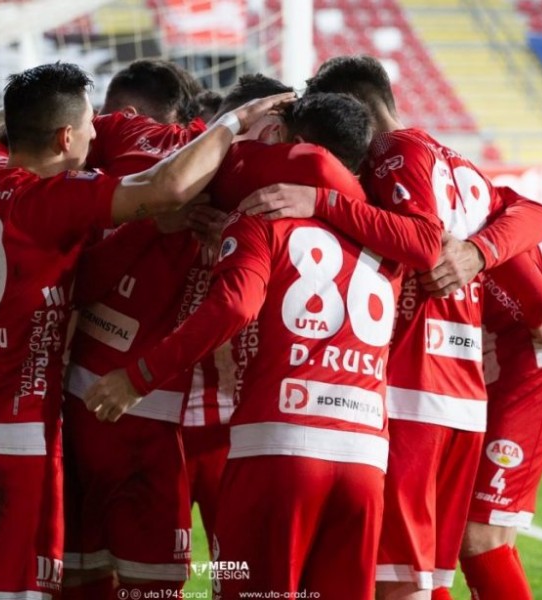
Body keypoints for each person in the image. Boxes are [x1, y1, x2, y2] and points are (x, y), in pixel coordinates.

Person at [0, 60, 294, 600]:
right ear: (65, 137)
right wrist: (234, 123)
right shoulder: (51, 199)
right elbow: (169, 186)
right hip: (18, 437)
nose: (98, 131)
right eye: (90, 122)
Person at [83, 92, 442, 600]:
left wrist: (137, 377)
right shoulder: (388, 237)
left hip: (277, 448)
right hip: (364, 456)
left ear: (287, 139)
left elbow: (233, 306)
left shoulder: (261, 212)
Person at [302, 55, 542, 600]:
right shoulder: (453, 160)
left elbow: (419, 242)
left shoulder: (392, 153)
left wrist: (320, 199)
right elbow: (531, 214)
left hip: (414, 387)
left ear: (356, 108)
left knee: (397, 581)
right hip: (461, 392)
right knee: (427, 577)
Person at [60, 68, 291, 600]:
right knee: (109, 572)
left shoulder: (276, 194)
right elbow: (76, 283)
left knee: (235, 576)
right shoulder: (136, 162)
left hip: (221, 421)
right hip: (130, 406)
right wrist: (154, 220)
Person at [458, 196, 542, 598]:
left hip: (538, 359)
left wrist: (538, 305)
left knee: (479, 535)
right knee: (469, 529)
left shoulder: (427, 179)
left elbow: (537, 215)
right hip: (490, 367)